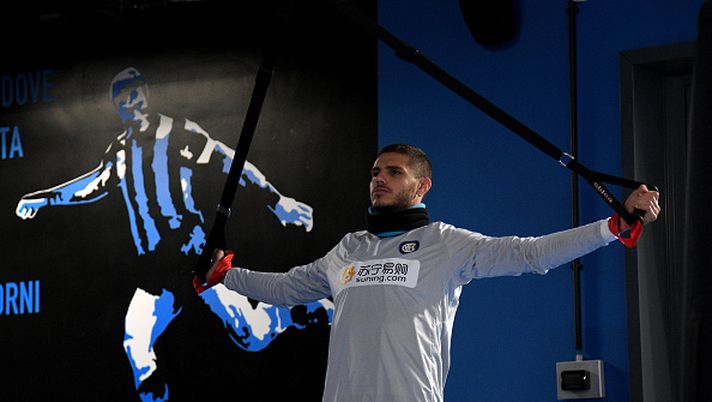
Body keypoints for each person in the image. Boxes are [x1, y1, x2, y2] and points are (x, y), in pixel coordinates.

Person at [197, 143, 661, 402]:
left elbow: (529, 254)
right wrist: (225, 274)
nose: (379, 178)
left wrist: (610, 228)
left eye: (393, 172)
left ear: (422, 186)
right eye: (375, 172)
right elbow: (285, 287)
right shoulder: (348, 249)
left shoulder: (446, 243)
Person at [15, 67, 333, 402]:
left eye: (132, 91)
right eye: (120, 95)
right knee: (136, 344)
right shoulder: (120, 150)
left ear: (145, 93)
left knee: (252, 335)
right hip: (156, 273)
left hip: (195, 258)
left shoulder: (178, 133)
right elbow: (92, 184)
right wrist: (44, 197)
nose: (128, 100)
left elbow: (230, 163)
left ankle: (291, 311)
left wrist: (277, 202)